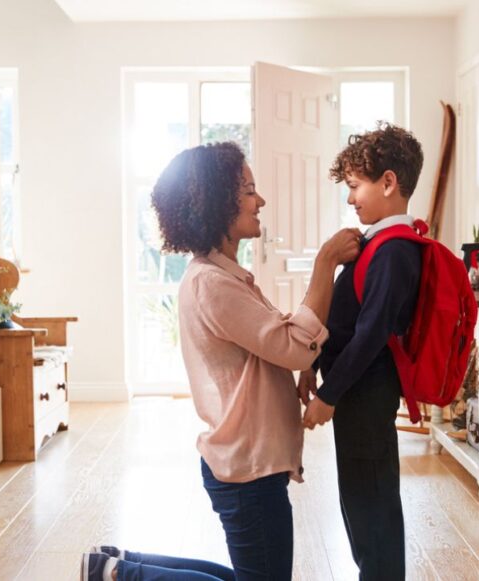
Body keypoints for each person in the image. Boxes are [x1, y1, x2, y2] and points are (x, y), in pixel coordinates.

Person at [83, 141, 360, 581]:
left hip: (249, 462)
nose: (260, 200)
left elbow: (274, 342)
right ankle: (119, 575)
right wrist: (326, 262)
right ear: (216, 202)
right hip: (248, 467)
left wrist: (306, 362)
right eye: (249, 189)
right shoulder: (213, 284)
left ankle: (116, 566)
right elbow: (289, 345)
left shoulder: (224, 276)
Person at [298, 123, 425, 580]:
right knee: (358, 497)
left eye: (355, 186)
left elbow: (370, 335)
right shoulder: (375, 244)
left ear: (388, 183)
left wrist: (328, 395)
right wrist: (313, 363)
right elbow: (345, 315)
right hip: (356, 393)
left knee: (372, 503)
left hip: (366, 394)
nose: (350, 198)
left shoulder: (394, 251)